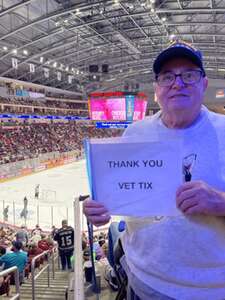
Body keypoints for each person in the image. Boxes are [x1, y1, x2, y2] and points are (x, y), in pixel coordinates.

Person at [83, 40, 225, 300]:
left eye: (189, 75)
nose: (177, 83)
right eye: (167, 76)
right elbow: (125, 194)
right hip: (143, 281)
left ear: (204, 83)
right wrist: (101, 208)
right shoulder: (136, 132)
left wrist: (220, 202)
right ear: (157, 88)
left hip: (211, 291)